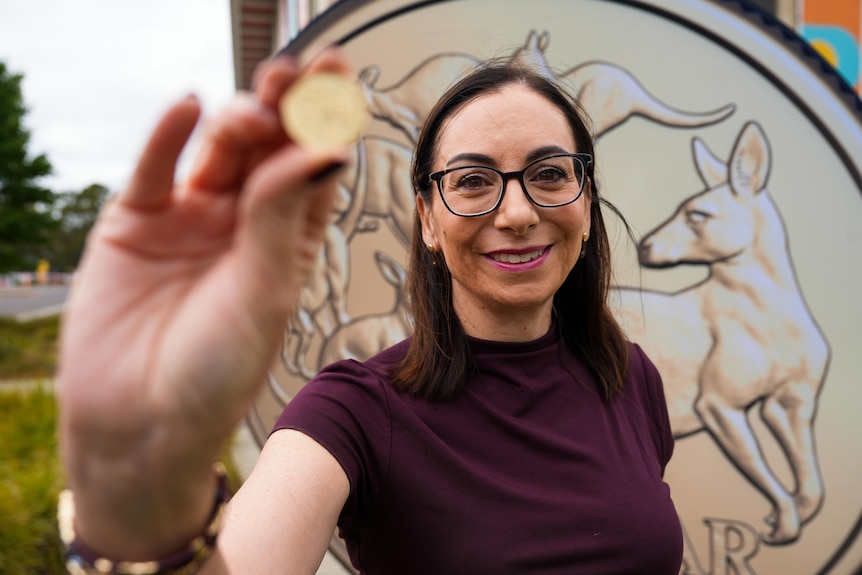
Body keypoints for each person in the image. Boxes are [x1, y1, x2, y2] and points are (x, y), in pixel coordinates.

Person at [57, 46, 683, 575]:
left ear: (586, 197)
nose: (517, 214)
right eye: (471, 181)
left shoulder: (631, 379)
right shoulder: (354, 410)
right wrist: (139, 497)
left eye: (549, 173)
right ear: (427, 220)